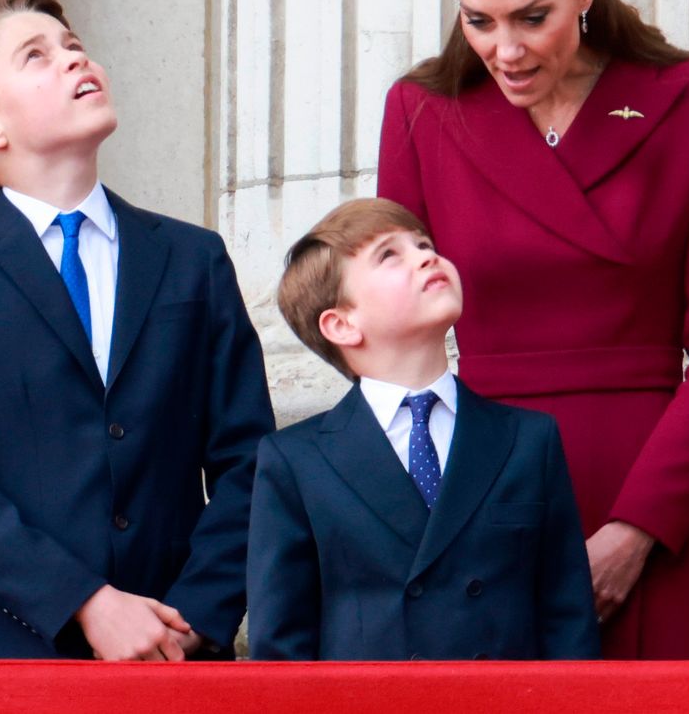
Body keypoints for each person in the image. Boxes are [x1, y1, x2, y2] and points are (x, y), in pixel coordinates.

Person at [377, 0, 689, 659]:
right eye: (477, 21)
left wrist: (641, 526)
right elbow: (395, 340)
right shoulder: (420, 113)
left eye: (532, 16)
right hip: (486, 490)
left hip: (655, 489)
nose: (504, 50)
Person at [0, 0, 276, 660]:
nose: (75, 60)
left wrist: (194, 616)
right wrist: (85, 601)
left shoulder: (193, 259)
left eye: (73, 46)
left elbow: (251, 461)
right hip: (12, 653)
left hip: (180, 646)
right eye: (36, 56)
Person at [247, 198, 599, 660]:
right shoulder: (296, 461)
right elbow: (281, 647)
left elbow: (567, 620)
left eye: (423, 244)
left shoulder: (529, 440)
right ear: (341, 324)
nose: (425, 256)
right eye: (389, 255)